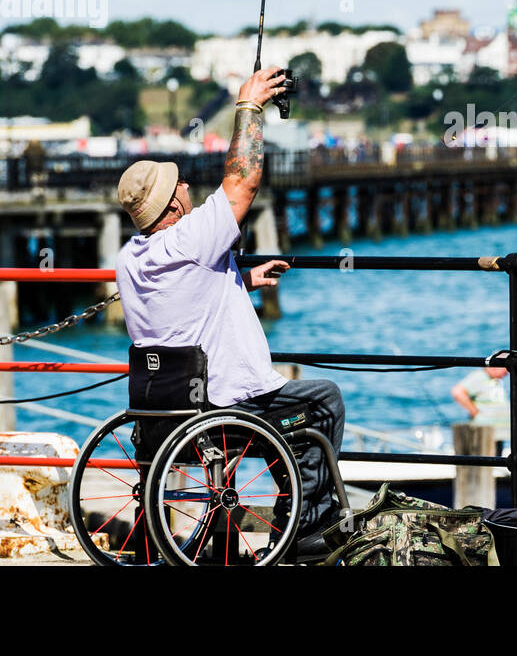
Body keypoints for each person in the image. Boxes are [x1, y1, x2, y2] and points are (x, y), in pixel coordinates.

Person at [114, 65, 344, 555]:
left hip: (165, 409)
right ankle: (304, 527)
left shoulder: (130, 257)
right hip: (222, 408)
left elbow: (181, 300)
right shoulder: (192, 238)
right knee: (323, 401)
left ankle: (285, 520)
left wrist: (239, 280)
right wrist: (249, 105)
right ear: (171, 207)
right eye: (180, 187)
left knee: (296, 410)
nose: (188, 189)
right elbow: (243, 182)